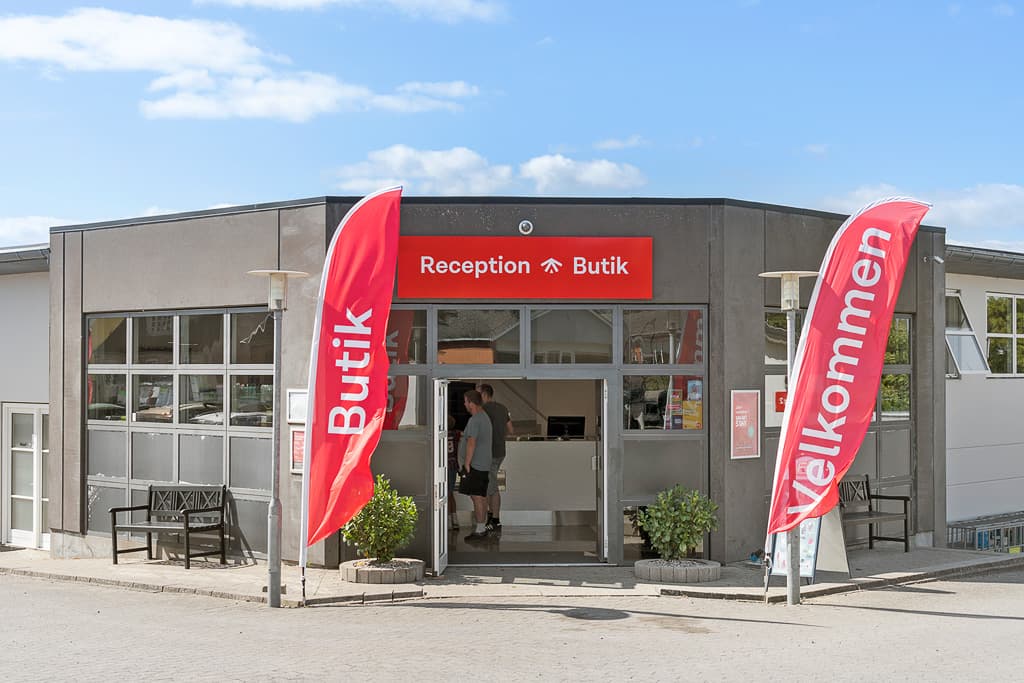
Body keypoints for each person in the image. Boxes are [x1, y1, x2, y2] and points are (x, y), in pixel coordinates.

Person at [478, 383, 513, 533]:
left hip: (488, 453)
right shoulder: (503, 408)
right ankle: (493, 517)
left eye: (477, 394)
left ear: (485, 395)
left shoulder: (482, 410)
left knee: (490, 488)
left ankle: (495, 520)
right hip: (500, 451)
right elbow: (511, 430)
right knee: (491, 485)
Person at [457, 389, 492, 541]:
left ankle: (479, 530)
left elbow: (471, 442)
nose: (464, 404)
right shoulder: (484, 417)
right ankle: (482, 527)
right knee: (481, 496)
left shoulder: (476, 419)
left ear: (471, 403)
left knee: (476, 497)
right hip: (482, 464)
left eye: (465, 401)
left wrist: (466, 464)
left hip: (475, 465)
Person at [446, 415, 461, 530]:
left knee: (445, 494)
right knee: (450, 493)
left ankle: (447, 519)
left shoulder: (442, 434)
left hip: (445, 465)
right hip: (453, 465)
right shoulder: (456, 434)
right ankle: (454, 519)